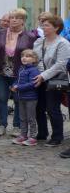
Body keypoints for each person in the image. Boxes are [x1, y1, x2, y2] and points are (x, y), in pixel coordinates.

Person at [0, 9, 38, 136]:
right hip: (1, 73)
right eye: (12, 18)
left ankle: (17, 126)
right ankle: (2, 125)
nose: (14, 20)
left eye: (17, 18)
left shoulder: (30, 36)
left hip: (20, 74)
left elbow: (34, 56)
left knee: (18, 100)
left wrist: (31, 73)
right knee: (1, 98)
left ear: (23, 21)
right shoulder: (0, 33)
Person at [33, 15, 70, 146]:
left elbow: (60, 64)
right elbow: (35, 59)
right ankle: (42, 133)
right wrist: (37, 74)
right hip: (38, 78)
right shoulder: (39, 41)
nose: (43, 27)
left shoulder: (63, 43)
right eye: (43, 25)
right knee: (38, 107)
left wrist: (44, 76)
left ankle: (57, 136)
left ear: (56, 28)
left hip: (54, 79)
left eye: (47, 25)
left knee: (52, 108)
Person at [11, 49, 40, 146]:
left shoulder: (34, 70)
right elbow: (17, 80)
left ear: (34, 59)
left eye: (28, 56)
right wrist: (14, 85)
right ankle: (23, 135)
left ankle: (33, 137)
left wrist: (18, 87)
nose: (24, 58)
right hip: (21, 97)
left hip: (31, 98)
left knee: (31, 118)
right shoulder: (21, 69)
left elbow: (33, 84)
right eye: (23, 56)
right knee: (22, 118)